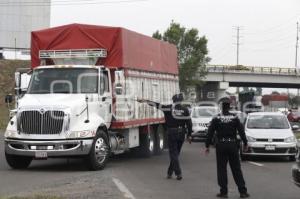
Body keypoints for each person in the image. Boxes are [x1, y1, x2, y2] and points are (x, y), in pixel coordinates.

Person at [138, 93, 192, 180]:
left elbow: (156, 105)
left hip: (172, 133)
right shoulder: (185, 110)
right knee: (176, 154)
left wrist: (145, 101)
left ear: (173, 100)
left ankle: (178, 173)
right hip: (181, 133)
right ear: (181, 101)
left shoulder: (168, 108)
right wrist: (189, 135)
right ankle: (169, 172)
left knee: (174, 154)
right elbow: (189, 123)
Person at [205, 100, 250, 198]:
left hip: (221, 145)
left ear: (221, 107)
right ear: (229, 107)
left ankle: (223, 192)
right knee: (236, 169)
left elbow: (210, 132)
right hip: (232, 144)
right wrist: (245, 143)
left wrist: (207, 145)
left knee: (222, 169)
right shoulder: (234, 117)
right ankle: (242, 191)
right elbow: (241, 131)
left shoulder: (216, 118)